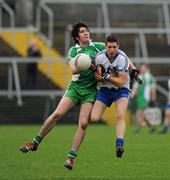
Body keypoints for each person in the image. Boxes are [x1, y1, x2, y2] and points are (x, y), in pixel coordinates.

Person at [20, 22, 141, 170]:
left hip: (91, 91)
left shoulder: (98, 46)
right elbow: (73, 70)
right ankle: (35, 142)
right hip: (76, 88)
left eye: (87, 30)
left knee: (84, 123)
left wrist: (133, 69)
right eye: (82, 31)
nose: (86, 33)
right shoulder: (73, 50)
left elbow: (121, 54)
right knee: (57, 113)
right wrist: (85, 63)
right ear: (77, 36)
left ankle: (71, 157)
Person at [91, 35, 131, 158]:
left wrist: (106, 76)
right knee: (94, 118)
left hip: (121, 90)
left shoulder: (122, 58)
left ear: (118, 46)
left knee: (120, 114)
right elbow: (97, 77)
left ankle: (119, 144)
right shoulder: (99, 57)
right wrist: (99, 76)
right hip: (104, 90)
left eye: (114, 47)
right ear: (105, 46)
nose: (112, 50)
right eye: (109, 47)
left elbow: (121, 82)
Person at [130, 63, 156, 133]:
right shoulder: (139, 77)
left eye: (144, 68)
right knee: (142, 113)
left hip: (145, 97)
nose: (142, 69)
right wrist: (132, 95)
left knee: (141, 112)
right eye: (141, 68)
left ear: (146, 68)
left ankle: (138, 128)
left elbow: (153, 88)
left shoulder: (149, 77)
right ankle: (151, 127)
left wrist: (153, 98)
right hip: (139, 97)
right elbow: (135, 87)